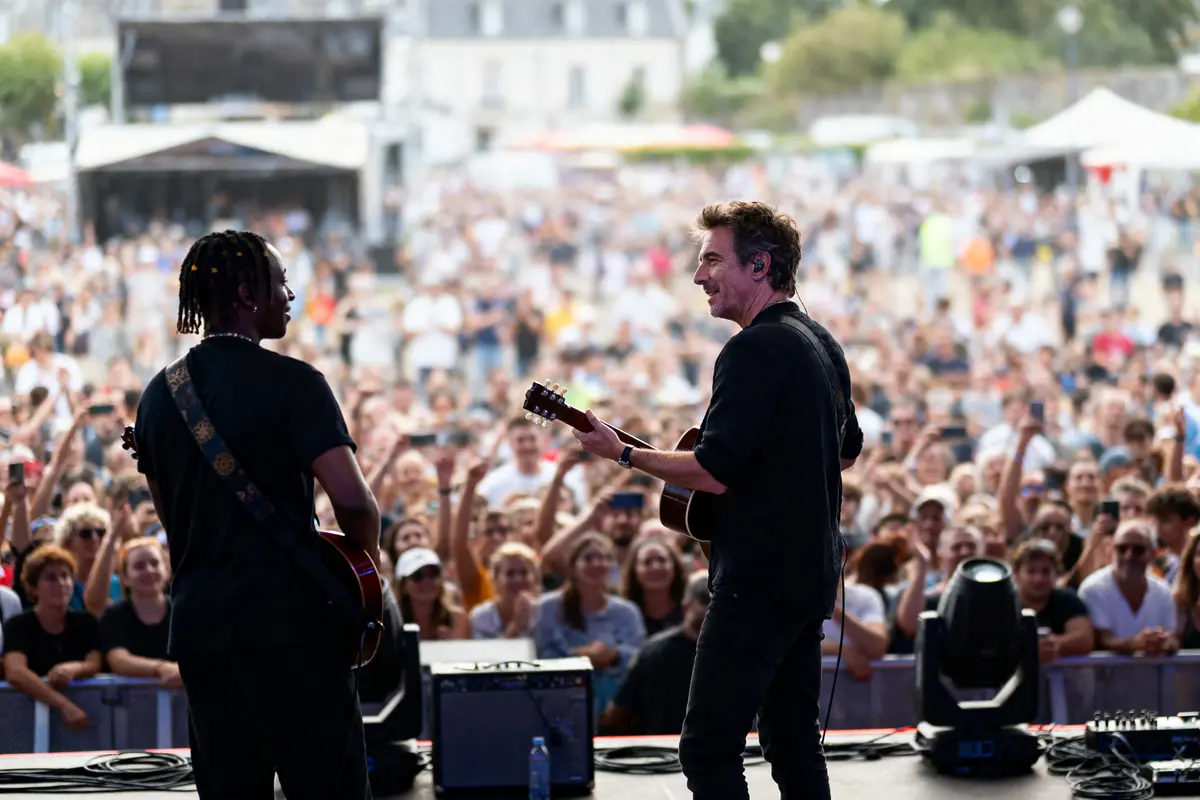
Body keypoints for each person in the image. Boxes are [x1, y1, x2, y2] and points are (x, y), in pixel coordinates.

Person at [572, 201, 863, 800]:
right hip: (808, 575)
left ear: (759, 266)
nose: (698, 275)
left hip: (757, 581)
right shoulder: (820, 341)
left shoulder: (752, 349)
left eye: (711, 260)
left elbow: (712, 470)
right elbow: (845, 453)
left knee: (708, 747)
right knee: (793, 739)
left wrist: (622, 453)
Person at [130, 230, 381, 800]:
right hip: (294, 631)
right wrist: (365, 573)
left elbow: (171, 519)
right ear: (247, 294)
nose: (290, 294)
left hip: (202, 632)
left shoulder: (157, 395)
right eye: (280, 281)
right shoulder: (296, 383)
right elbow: (352, 501)